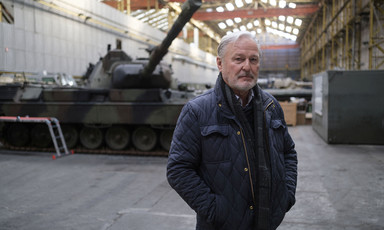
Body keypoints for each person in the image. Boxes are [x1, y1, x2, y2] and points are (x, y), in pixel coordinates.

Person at [167, 31, 297, 230]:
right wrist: (215, 210)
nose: (247, 66)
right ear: (220, 64)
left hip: (267, 222)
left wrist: (285, 195)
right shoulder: (197, 111)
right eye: (238, 59)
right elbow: (178, 169)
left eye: (253, 60)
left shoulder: (271, 107)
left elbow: (288, 152)